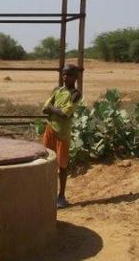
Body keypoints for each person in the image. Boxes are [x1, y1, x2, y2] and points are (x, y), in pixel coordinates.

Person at [41, 64, 82, 208]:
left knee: (62, 166)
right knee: (46, 161)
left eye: (69, 75)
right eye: (64, 74)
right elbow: (45, 108)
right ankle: (46, 193)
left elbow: (66, 114)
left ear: (75, 77)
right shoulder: (57, 90)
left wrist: (53, 109)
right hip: (50, 130)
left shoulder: (76, 94)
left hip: (62, 134)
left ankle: (61, 195)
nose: (65, 77)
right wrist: (55, 110)